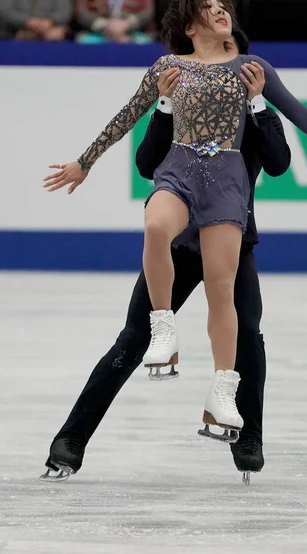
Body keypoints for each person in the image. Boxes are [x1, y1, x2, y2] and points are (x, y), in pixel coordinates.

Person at [42, 0, 307, 442]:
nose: (221, 12)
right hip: (180, 169)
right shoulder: (169, 68)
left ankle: (223, 395)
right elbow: (125, 116)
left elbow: (299, 115)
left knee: (226, 298)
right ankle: (162, 329)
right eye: (208, 9)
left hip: (226, 183)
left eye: (223, 6)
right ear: (189, 26)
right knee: (154, 225)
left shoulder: (252, 69)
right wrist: (84, 162)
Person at [41, 27, 291, 484]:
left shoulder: (250, 101)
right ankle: (71, 438)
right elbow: (146, 164)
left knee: (248, 334)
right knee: (134, 339)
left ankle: (248, 435)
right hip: (177, 244)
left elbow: (278, 163)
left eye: (233, 50)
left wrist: (259, 105)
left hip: (231, 240)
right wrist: (164, 105)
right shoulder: (181, 96)